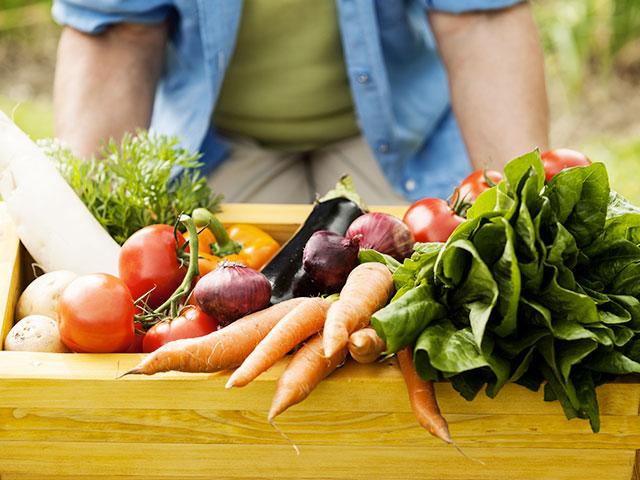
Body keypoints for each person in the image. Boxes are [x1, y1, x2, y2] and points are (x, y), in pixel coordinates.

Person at [52, 0, 548, 204]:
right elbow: (119, 31)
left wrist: (525, 214)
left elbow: (478, 20)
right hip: (219, 142)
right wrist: (87, 221)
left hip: (402, 137)